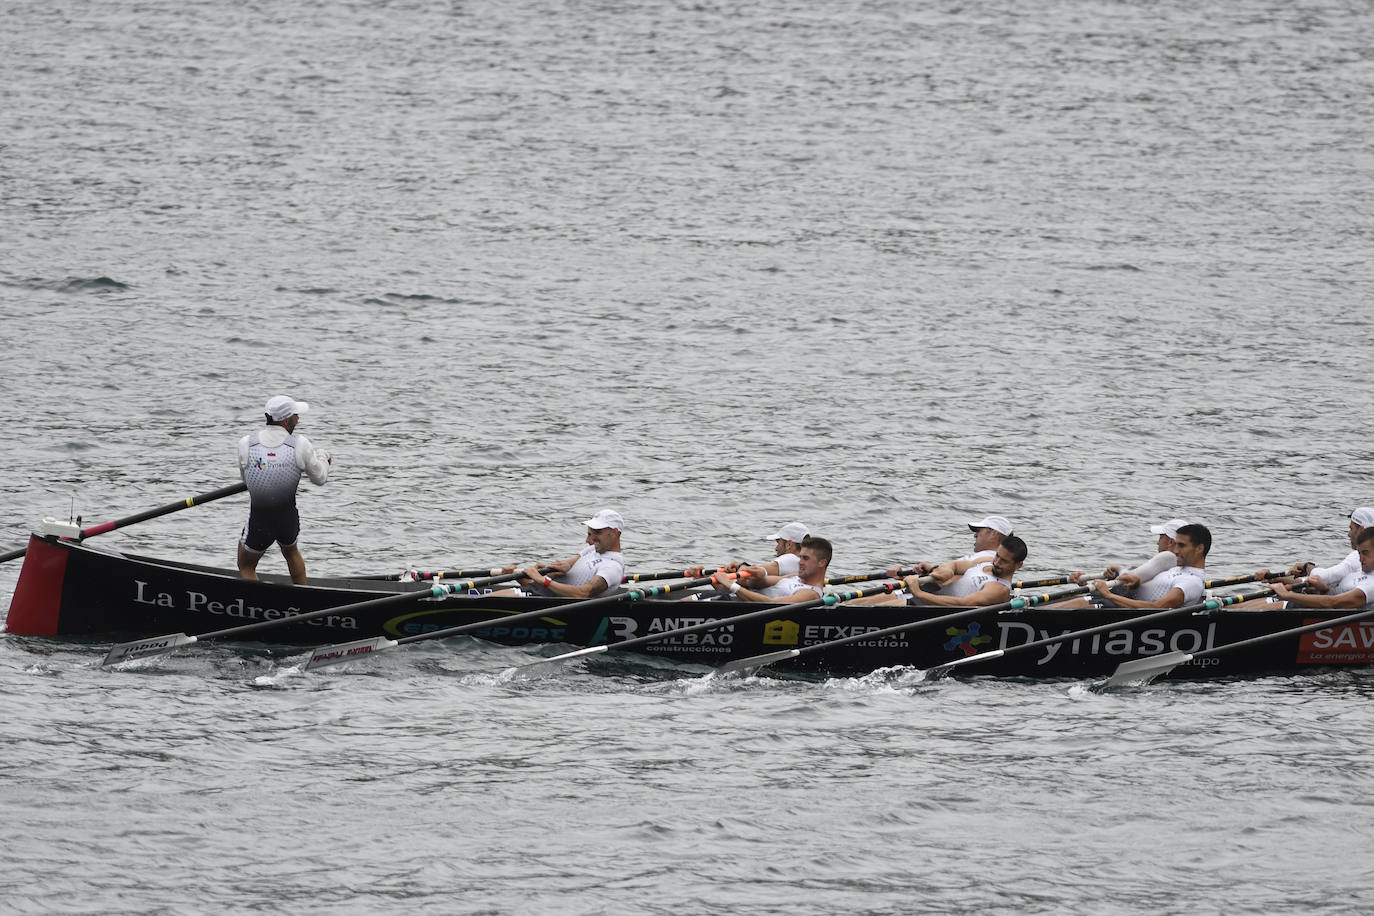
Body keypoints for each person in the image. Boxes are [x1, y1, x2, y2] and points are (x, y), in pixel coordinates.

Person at [237, 394, 331, 585]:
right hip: (286, 519)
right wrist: (322, 458)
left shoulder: (246, 444)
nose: (298, 418)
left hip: (259, 520)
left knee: (245, 565)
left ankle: (257, 605)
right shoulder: (300, 445)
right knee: (290, 551)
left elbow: (246, 480)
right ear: (287, 420)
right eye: (296, 415)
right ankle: (304, 600)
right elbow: (320, 478)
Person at [1050, 518, 1187, 608]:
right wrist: (1099, 579)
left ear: (1171, 542)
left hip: (1122, 603)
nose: (1158, 542)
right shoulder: (1182, 567)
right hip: (1123, 599)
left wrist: (1119, 570)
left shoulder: (1168, 557)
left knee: (1076, 603)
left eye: (1161, 537)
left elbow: (1132, 577)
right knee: (1067, 601)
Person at [1089, 523, 1211, 610]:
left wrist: (1108, 594)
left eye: (1181, 545)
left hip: (1126, 612)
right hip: (1122, 601)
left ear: (1199, 548)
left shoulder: (1191, 582)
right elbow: (1153, 592)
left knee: (1080, 603)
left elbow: (1157, 607)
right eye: (1176, 544)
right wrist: (1137, 583)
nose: (1176, 550)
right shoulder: (1178, 569)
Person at [509, 509, 626, 599]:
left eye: (597, 532)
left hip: (549, 603)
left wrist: (542, 580)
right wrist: (520, 576)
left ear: (614, 533)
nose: (588, 540)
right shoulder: (591, 550)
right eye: (590, 533)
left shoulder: (612, 567)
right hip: (539, 594)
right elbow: (565, 568)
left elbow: (584, 593)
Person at [1256, 508, 1374, 593]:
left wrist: (1307, 566)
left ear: (1362, 530)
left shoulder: (1355, 557)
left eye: (1351, 528)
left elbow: (1323, 578)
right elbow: (1319, 583)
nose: (1348, 534)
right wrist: (1275, 578)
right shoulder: (1361, 562)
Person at [1269, 528, 1374, 610]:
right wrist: (1324, 589)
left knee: (1266, 605)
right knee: (1264, 601)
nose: (1360, 559)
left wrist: (1287, 595)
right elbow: (1335, 596)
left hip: (1327, 614)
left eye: (1365, 553)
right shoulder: (1361, 572)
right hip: (1318, 608)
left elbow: (1333, 603)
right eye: (1359, 553)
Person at [711, 537, 832, 603]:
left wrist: (730, 585)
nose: (800, 562)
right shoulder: (793, 576)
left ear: (822, 562)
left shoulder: (810, 594)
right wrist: (753, 574)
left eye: (805, 558)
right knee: (692, 599)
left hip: (737, 609)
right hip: (730, 598)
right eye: (800, 557)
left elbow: (770, 603)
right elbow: (756, 583)